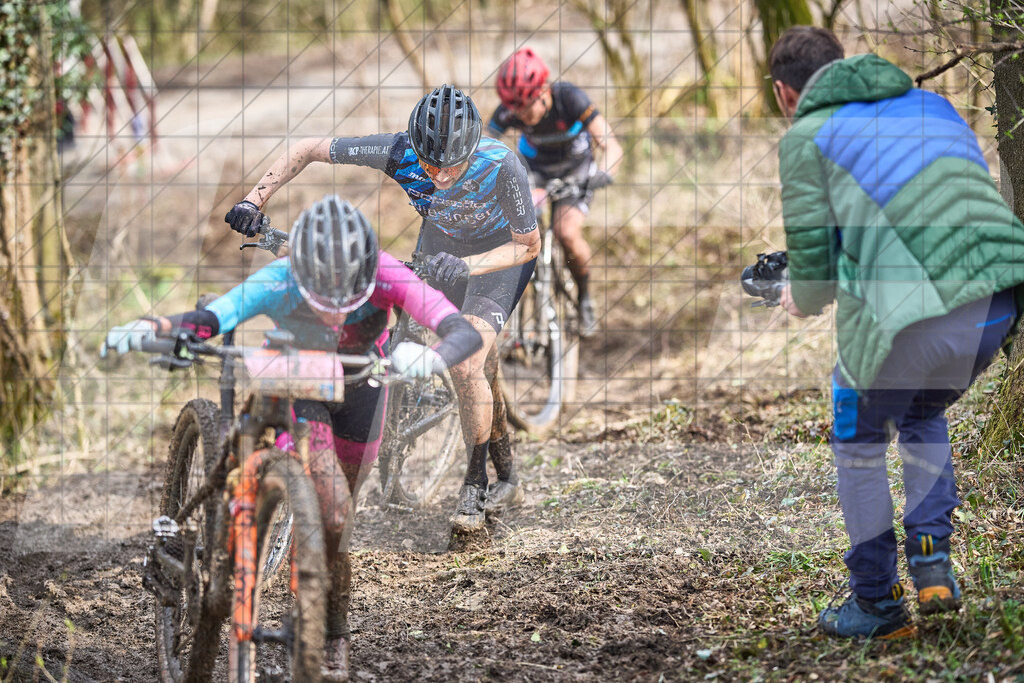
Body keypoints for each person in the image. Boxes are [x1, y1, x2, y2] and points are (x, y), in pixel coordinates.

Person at [103, 195, 482, 680]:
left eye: (350, 291)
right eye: (324, 292)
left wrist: (433, 357)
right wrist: (149, 327)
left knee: (336, 517)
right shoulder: (279, 276)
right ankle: (241, 499)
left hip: (361, 387)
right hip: (299, 385)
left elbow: (456, 327)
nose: (337, 307)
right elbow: (212, 319)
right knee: (313, 488)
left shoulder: (389, 273)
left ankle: (332, 629)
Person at [769, 25, 1024, 639]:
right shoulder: (930, 103)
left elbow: (812, 281)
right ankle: (932, 563)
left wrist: (792, 296)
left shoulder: (805, 136)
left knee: (858, 440)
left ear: (785, 93)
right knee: (919, 411)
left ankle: (878, 607)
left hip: (915, 308)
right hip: (997, 299)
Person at [223, 85, 540, 533]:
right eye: (431, 165)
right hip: (439, 247)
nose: (441, 175)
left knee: (468, 365)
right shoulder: (396, 151)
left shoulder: (503, 165)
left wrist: (466, 266)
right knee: (397, 344)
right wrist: (254, 199)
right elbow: (309, 148)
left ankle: (476, 483)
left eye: (453, 165)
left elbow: (528, 245)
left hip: (499, 258)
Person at [488, 47, 623, 337]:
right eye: (516, 111)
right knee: (519, 233)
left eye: (525, 108)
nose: (521, 117)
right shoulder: (510, 109)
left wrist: (604, 173)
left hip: (576, 170)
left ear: (543, 90)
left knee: (567, 233)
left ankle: (584, 298)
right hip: (537, 171)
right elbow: (483, 149)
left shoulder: (570, 99)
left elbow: (610, 144)